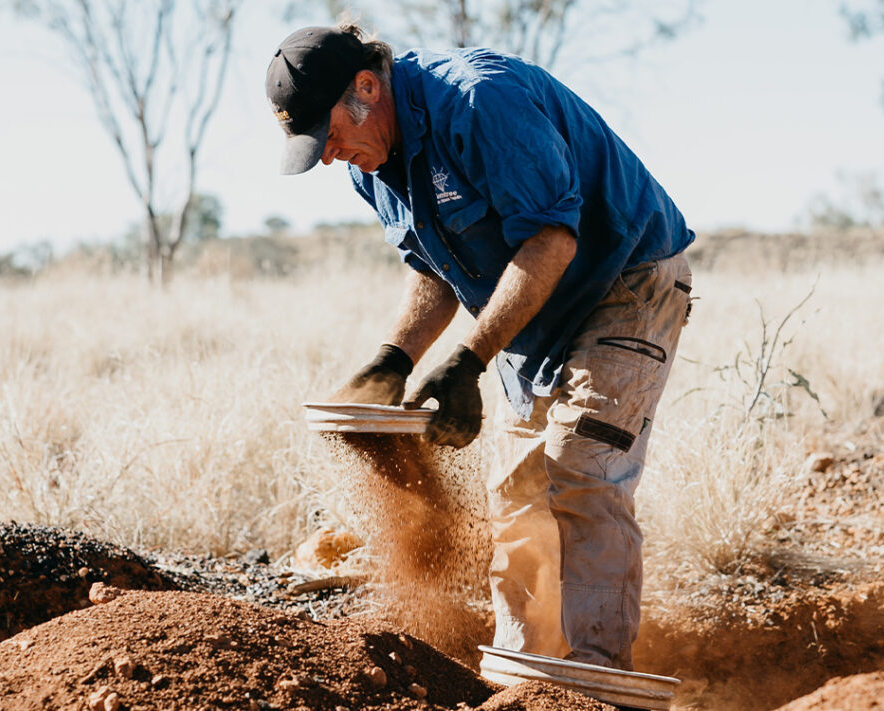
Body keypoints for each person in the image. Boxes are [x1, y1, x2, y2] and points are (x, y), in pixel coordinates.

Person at [266, 22, 694, 672]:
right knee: (517, 489)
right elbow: (436, 264)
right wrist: (396, 358)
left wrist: (468, 361)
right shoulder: (371, 163)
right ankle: (522, 673)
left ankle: (598, 676)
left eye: (328, 137)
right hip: (535, 312)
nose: (328, 156)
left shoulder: (477, 103)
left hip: (626, 279)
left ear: (365, 87)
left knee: (581, 465)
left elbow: (552, 239)